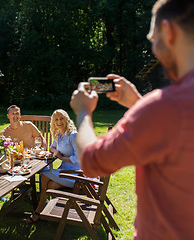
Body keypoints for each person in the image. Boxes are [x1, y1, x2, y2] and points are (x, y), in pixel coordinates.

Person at [70, 0, 194, 239]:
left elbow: (91, 161)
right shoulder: (165, 111)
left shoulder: (163, 107)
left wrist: (84, 112)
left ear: (168, 31)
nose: (154, 49)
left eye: (152, 38)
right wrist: (138, 104)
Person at [26, 109, 80, 223]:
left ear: (66, 120)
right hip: (64, 171)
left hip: (77, 174)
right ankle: (44, 209)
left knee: (44, 175)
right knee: (50, 185)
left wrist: (61, 157)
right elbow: (51, 147)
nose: (59, 121)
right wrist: (56, 152)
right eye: (56, 119)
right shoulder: (59, 135)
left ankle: (37, 212)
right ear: (53, 122)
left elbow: (78, 157)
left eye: (61, 118)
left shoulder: (73, 135)